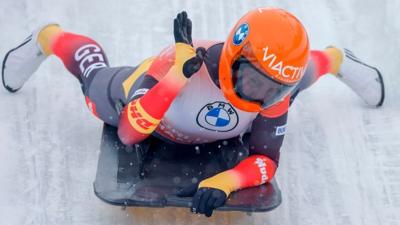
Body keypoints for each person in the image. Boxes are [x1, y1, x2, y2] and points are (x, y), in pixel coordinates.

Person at [2, 8, 384, 217]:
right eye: (254, 83)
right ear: (235, 57)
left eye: (273, 89)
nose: (261, 96)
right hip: (153, 106)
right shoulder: (177, 63)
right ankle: (49, 36)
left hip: (202, 116)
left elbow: (266, 160)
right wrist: (172, 82)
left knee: (302, 81)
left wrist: (227, 181)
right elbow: (129, 134)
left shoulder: (275, 91)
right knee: (92, 82)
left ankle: (334, 58)